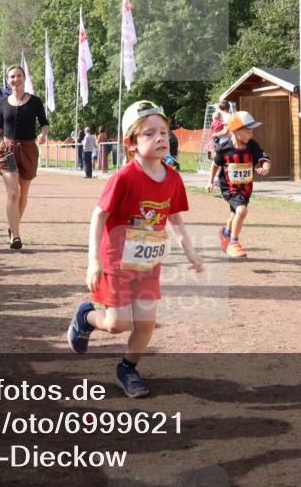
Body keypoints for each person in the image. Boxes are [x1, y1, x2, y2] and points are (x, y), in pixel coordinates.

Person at [67, 100, 204, 398]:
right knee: (117, 324)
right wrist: (93, 260)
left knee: (145, 324)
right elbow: (99, 215)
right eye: (149, 134)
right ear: (131, 143)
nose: (160, 138)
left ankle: (127, 368)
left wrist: (190, 250)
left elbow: (174, 217)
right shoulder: (123, 178)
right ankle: (86, 316)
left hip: (147, 264)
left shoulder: (173, 178)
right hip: (116, 263)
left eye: (163, 132)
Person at [0, 64, 50, 250]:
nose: (15, 79)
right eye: (12, 76)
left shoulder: (35, 101)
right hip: (8, 152)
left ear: (24, 78)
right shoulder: (3, 102)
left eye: (19, 75)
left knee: (23, 194)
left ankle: (12, 228)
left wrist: (43, 134)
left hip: (28, 150)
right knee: (13, 193)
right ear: (7, 80)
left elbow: (45, 123)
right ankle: (16, 237)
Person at [205, 111, 272, 258]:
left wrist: (265, 168)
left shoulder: (252, 145)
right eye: (247, 131)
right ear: (235, 132)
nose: (251, 134)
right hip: (229, 187)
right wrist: (210, 181)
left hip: (246, 188)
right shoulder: (224, 148)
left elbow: (263, 158)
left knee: (235, 213)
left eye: (251, 131)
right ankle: (233, 243)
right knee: (242, 211)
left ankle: (226, 233)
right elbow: (215, 165)